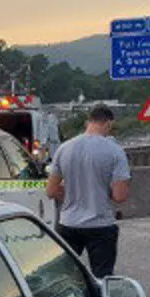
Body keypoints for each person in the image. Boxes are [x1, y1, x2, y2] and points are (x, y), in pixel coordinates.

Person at [45, 104, 131, 277]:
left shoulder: (64, 148)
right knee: (102, 278)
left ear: (88, 122)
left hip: (68, 224)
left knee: (63, 276)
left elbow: (51, 190)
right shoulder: (115, 151)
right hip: (100, 225)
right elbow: (120, 196)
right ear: (108, 124)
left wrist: (72, 192)